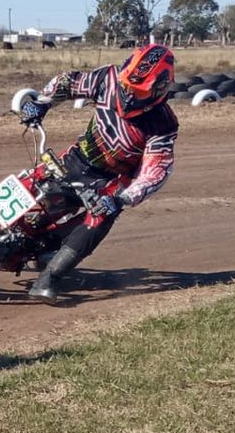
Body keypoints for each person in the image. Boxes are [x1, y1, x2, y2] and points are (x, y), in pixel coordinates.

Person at [17, 43, 178, 300]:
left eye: (136, 90)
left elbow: (155, 172)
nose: (127, 93)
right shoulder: (108, 78)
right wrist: (41, 103)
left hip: (110, 183)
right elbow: (67, 82)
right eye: (126, 86)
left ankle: (49, 278)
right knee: (31, 181)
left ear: (159, 88)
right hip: (75, 159)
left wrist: (121, 199)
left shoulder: (163, 124)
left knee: (100, 218)